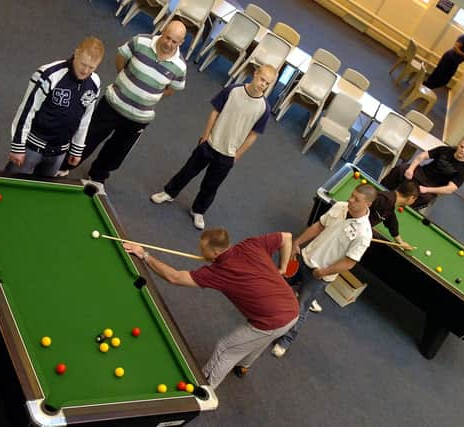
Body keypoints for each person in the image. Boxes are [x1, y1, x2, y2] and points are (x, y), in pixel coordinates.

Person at [123, 228, 299, 388]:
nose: (201, 253)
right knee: (258, 341)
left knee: (225, 349)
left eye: (203, 250)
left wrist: (144, 254)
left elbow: (174, 277)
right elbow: (286, 237)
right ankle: (244, 366)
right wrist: (282, 268)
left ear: (215, 252)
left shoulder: (219, 272)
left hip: (271, 320)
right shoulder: (250, 244)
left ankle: (203, 391)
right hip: (292, 308)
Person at [56, 21, 187, 183]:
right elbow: (121, 58)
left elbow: (172, 89)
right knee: (89, 137)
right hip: (112, 103)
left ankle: (97, 175)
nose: (169, 43)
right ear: (163, 31)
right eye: (167, 38)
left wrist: (150, 95)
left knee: (117, 151)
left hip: (139, 118)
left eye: (174, 41)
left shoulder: (180, 67)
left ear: (181, 43)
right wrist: (125, 80)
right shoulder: (140, 41)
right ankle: (64, 166)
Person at [149, 65, 277, 230]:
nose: (262, 85)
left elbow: (253, 135)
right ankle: (169, 193)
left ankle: (198, 210)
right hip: (209, 144)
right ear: (255, 74)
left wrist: (237, 155)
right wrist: (205, 135)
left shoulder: (264, 109)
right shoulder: (233, 90)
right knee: (188, 171)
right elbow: (215, 112)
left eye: (267, 83)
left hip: (228, 155)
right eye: (262, 79)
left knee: (211, 185)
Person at [271, 184, 377, 358]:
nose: (351, 200)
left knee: (300, 308)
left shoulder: (364, 234)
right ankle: (267, 317)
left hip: (319, 275)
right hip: (304, 258)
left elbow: (349, 263)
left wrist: (324, 272)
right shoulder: (340, 206)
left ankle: (286, 340)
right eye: (352, 195)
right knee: (276, 282)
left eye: (357, 199)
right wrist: (297, 243)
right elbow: (319, 226)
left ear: (368, 204)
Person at [309, 180, 420, 314]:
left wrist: (399, 240)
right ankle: (307, 295)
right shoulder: (385, 200)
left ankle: (307, 290)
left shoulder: (390, 203)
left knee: (332, 262)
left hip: (351, 232)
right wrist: (354, 228)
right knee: (332, 261)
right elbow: (359, 207)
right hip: (348, 233)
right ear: (411, 198)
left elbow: (390, 219)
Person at [6, 37, 104, 177]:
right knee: (12, 184)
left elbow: (85, 119)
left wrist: (77, 148)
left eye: (91, 67)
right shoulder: (49, 74)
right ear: (76, 53)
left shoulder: (94, 83)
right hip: (32, 148)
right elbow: (27, 109)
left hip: (59, 152)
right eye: (83, 64)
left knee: (43, 194)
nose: (85, 71)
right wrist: (18, 145)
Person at [380, 137, 464, 210]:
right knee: (401, 168)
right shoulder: (444, 150)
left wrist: (427, 189)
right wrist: (411, 169)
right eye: (461, 146)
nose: (462, 150)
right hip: (421, 173)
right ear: (458, 145)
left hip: (432, 186)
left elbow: (450, 189)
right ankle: (382, 192)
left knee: (426, 198)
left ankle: (399, 209)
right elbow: (422, 156)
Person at [423, 24, 464, 89]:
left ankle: (429, 87)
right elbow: (455, 48)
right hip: (449, 57)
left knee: (446, 80)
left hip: (456, 62)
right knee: (438, 73)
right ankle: (426, 86)